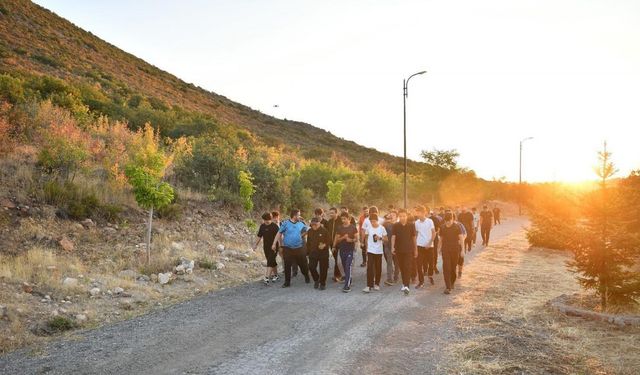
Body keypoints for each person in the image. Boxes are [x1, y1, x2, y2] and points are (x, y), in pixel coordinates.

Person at [272, 209, 310, 288]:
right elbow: (279, 233)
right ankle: (287, 282)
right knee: (287, 265)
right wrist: (274, 243)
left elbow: (309, 230)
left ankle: (306, 275)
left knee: (303, 265)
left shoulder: (301, 223)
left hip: (299, 248)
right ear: (294, 215)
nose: (299, 216)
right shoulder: (285, 224)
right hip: (288, 248)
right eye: (298, 215)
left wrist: (301, 236)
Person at [391, 209, 417, 295]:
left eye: (404, 216)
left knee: (407, 266)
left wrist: (415, 249)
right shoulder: (395, 225)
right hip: (399, 250)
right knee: (402, 267)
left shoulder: (411, 225)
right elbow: (393, 237)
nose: (402, 218)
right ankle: (404, 283)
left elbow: (414, 238)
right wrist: (392, 247)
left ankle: (407, 286)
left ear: (407, 216)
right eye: (401, 216)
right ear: (399, 217)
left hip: (409, 250)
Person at [438, 212, 464, 294]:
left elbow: (461, 238)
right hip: (445, 250)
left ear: (453, 219)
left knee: (453, 268)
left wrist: (462, 250)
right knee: (446, 267)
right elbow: (441, 239)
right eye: (446, 221)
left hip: (455, 250)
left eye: (449, 221)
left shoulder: (457, 227)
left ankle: (452, 282)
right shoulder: (442, 227)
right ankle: (448, 287)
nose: (448, 222)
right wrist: (438, 249)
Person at [363, 213, 388, 293]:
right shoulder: (368, 228)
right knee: (369, 267)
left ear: (377, 221)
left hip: (379, 251)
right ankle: (368, 285)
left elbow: (386, 239)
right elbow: (366, 238)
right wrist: (366, 248)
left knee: (378, 267)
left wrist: (380, 238)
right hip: (370, 250)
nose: (373, 223)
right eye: (371, 221)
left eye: (374, 221)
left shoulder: (382, 228)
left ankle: (377, 284)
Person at [334, 212, 358, 292]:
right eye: (342, 219)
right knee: (345, 267)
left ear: (349, 219)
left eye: (345, 219)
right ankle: (349, 278)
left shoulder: (353, 228)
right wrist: (343, 238)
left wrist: (350, 240)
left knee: (348, 266)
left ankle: (347, 286)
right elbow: (337, 239)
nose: (343, 220)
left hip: (350, 250)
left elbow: (356, 239)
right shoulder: (339, 228)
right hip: (342, 250)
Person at [253, 212, 280, 285]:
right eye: (265, 220)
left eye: (268, 219)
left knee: (270, 260)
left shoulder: (275, 226)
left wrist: (280, 246)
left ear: (271, 219)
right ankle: (276, 275)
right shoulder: (262, 226)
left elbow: (279, 237)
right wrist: (255, 244)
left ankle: (266, 277)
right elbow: (259, 236)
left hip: (274, 246)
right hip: (266, 247)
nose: (267, 221)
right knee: (271, 260)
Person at [414, 206, 436, 287]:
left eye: (418, 212)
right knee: (419, 265)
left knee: (431, 264)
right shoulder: (416, 223)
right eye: (416, 212)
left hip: (430, 246)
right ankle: (421, 281)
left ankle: (430, 275)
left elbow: (434, 233)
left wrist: (430, 243)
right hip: (420, 246)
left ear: (424, 213)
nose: (417, 214)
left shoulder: (430, 221)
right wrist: (415, 247)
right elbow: (415, 235)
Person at [306, 217, 330, 290]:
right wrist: (307, 252)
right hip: (313, 253)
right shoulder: (310, 231)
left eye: (315, 224)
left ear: (319, 223)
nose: (314, 226)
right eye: (312, 225)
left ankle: (323, 283)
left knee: (323, 269)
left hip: (323, 253)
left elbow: (329, 241)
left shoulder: (324, 231)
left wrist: (324, 245)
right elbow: (308, 242)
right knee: (311, 267)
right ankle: (316, 279)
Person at [325, 208, 345, 282]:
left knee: (338, 259)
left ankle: (337, 275)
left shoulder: (341, 220)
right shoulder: (329, 221)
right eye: (330, 213)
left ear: (336, 213)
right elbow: (327, 232)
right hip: (331, 243)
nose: (331, 214)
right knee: (336, 259)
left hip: (340, 243)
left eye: (332, 213)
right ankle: (339, 274)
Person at [383, 210, 398, 285]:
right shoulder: (385, 224)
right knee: (389, 263)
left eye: (393, 215)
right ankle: (390, 279)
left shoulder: (398, 225)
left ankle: (396, 276)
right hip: (388, 246)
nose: (391, 216)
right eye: (390, 215)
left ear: (396, 217)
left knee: (397, 263)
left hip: (397, 247)